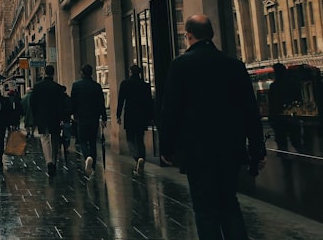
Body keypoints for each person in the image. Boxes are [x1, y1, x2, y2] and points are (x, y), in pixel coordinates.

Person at [160, 14, 266, 240]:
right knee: (229, 203)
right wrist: (257, 149)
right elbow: (250, 111)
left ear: (188, 36)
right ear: (212, 35)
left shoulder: (180, 66)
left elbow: (170, 111)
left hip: (197, 152)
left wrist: (167, 148)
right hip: (230, 149)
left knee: (205, 209)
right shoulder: (234, 66)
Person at [29, 65, 69, 176]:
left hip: (42, 117)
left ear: (44, 73)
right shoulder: (58, 87)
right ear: (53, 73)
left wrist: (36, 115)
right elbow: (62, 104)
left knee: (44, 138)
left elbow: (32, 103)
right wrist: (61, 117)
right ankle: (54, 161)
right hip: (55, 117)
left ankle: (49, 162)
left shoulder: (37, 87)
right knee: (55, 139)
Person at [116, 64, 154, 175]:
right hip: (142, 115)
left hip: (130, 114)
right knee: (140, 139)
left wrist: (118, 115)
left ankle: (137, 158)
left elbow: (121, 101)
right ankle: (141, 157)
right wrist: (151, 117)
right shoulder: (145, 85)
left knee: (130, 139)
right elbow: (149, 103)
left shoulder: (125, 84)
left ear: (130, 72)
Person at [71, 64, 107, 176]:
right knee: (92, 142)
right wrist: (104, 118)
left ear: (82, 73)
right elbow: (101, 103)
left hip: (81, 118)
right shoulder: (96, 86)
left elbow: (73, 102)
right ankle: (93, 166)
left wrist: (73, 114)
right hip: (94, 118)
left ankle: (87, 157)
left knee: (82, 140)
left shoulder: (76, 85)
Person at [267, 62, 303, 152]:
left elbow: (272, 103)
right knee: (295, 141)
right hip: (290, 117)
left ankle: (286, 161)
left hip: (280, 117)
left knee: (282, 143)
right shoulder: (292, 84)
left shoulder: (274, 86)